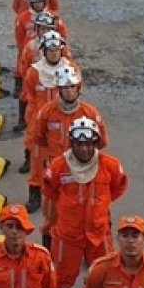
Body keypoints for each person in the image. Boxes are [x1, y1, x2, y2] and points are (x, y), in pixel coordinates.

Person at [40, 116, 126, 288]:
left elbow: (118, 187)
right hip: (68, 235)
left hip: (99, 234)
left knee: (109, 278)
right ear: (72, 144)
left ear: (96, 143)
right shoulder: (58, 166)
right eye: (79, 144)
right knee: (61, 280)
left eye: (89, 144)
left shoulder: (109, 165)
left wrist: (99, 209)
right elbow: (51, 191)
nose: (85, 148)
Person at [27, 64, 109, 213]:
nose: (69, 91)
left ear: (78, 88)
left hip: (83, 167)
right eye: (66, 87)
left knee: (85, 207)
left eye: (72, 87)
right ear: (59, 89)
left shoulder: (90, 113)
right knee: (52, 211)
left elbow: (102, 141)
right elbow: (38, 137)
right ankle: (49, 236)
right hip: (57, 167)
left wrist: (84, 155)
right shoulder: (47, 112)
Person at [17, 31, 75, 142]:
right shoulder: (34, 72)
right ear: (44, 51)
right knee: (34, 144)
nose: (54, 53)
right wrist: (33, 119)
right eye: (50, 50)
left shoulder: (71, 69)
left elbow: (75, 93)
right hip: (38, 116)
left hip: (62, 116)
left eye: (57, 50)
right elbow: (31, 98)